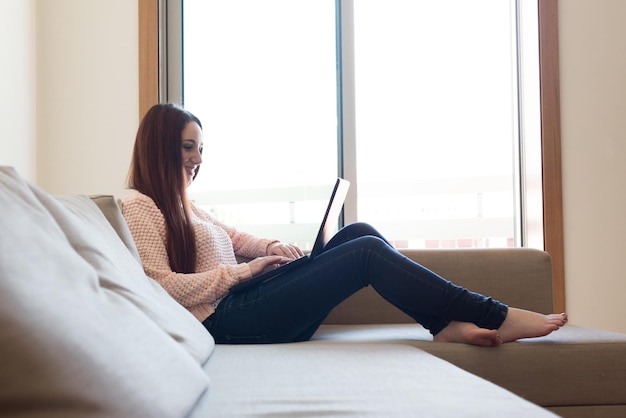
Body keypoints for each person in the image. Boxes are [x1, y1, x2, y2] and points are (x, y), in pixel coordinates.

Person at [122, 103, 567, 347]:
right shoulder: (140, 207)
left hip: (244, 303)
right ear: (159, 148)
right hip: (224, 321)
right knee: (365, 255)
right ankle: (494, 314)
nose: (198, 160)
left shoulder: (187, 206)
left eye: (201, 149)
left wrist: (273, 247)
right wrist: (244, 272)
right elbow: (157, 286)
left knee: (360, 233)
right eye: (188, 147)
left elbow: (237, 238)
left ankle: (442, 325)